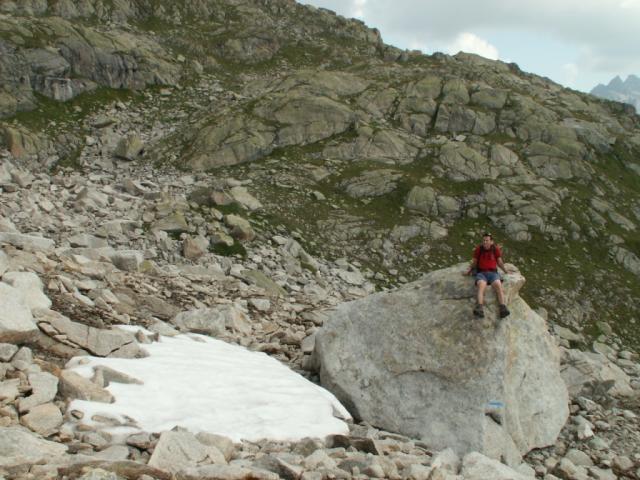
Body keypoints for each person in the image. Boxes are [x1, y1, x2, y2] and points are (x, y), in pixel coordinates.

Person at [465, 233, 514, 319]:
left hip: (493, 273)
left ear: (491, 241)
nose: (485, 242)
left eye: (487, 240)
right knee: (481, 287)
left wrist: (506, 271)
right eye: (484, 240)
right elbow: (475, 262)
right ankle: (479, 308)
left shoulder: (495, 249)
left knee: (498, 286)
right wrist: (469, 271)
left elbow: (499, 262)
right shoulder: (479, 249)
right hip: (481, 273)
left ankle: (503, 308)